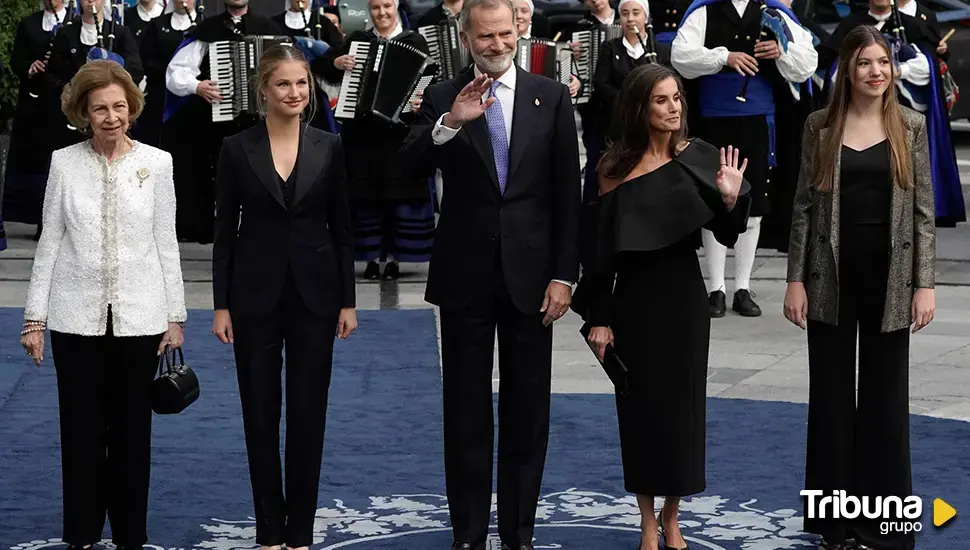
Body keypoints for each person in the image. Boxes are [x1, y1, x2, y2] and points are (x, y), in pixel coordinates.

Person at [401, 0, 580, 547]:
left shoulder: (549, 96)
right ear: (465, 38)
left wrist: (565, 275)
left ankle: (519, 533)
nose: (497, 44)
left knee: (528, 409)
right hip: (464, 276)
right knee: (466, 410)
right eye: (486, 36)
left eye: (505, 33)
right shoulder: (441, 96)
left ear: (519, 31)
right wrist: (451, 123)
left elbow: (567, 197)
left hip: (533, 278)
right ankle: (469, 534)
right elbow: (407, 169)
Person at [576, 64, 749, 550]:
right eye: (661, 100)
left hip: (683, 300)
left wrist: (730, 200)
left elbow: (728, 231)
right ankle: (647, 522)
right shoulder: (611, 168)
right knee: (640, 413)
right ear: (639, 107)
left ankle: (673, 518)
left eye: (677, 99)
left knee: (682, 412)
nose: (673, 108)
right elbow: (600, 251)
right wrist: (600, 316)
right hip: (632, 302)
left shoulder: (699, 157)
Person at [19, 60, 186, 550]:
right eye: (99, 109)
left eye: (118, 106)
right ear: (83, 114)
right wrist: (35, 319)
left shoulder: (158, 163)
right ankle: (83, 534)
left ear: (131, 107)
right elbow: (49, 242)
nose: (111, 117)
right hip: (75, 318)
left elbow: (167, 244)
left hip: (141, 316)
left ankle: (131, 535)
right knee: (81, 432)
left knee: (133, 435)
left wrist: (175, 316)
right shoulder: (63, 162)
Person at [784, 25, 935, 550]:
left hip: (891, 279)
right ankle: (835, 525)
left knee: (885, 400)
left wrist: (925, 284)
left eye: (884, 63)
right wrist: (795, 280)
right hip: (829, 278)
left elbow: (922, 214)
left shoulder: (910, 125)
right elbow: (802, 207)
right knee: (828, 400)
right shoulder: (819, 126)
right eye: (866, 63)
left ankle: (887, 527)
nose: (877, 72)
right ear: (847, 70)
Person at [211, 44, 357, 550]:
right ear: (263, 90)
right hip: (252, 297)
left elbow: (343, 228)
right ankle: (268, 531)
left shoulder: (329, 146)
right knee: (259, 413)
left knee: (308, 415)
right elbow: (224, 230)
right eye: (284, 84)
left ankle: (300, 533)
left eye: (302, 83)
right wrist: (221, 304)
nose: (295, 93)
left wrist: (348, 301)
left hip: (317, 297)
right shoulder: (235, 148)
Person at [671, 0, 816, 318]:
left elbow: (807, 63)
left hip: (758, 122)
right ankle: (716, 289)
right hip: (714, 121)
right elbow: (680, 57)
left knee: (754, 203)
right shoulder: (704, 11)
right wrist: (724, 56)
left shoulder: (774, 14)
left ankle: (742, 287)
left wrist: (782, 53)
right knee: (714, 198)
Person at [816, 0, 964, 227]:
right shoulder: (852, 26)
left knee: (905, 174)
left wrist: (899, 71)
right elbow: (832, 66)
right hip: (862, 116)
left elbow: (929, 64)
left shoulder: (912, 25)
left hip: (902, 114)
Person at [318, 0, 435, 280]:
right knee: (365, 200)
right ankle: (371, 258)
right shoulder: (359, 39)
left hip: (399, 135)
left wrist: (418, 101)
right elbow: (321, 66)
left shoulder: (415, 41)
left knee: (398, 199)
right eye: (375, 8)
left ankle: (394, 259)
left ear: (396, 6)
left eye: (386, 6)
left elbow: (428, 80)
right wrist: (337, 62)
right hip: (363, 133)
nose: (381, 13)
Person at [163, 0, 282, 243]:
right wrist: (196, 86)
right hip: (216, 122)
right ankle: (217, 229)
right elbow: (176, 71)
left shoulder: (270, 27)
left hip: (263, 119)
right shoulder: (208, 29)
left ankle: (262, 228)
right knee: (217, 176)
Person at [3, 0, 68, 242]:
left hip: (61, 104)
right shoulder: (29, 23)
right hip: (34, 106)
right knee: (36, 164)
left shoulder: (72, 24)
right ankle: (36, 220)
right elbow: (16, 60)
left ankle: (61, 223)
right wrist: (31, 67)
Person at [46, 0, 144, 152]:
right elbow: (51, 73)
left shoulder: (121, 33)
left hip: (110, 117)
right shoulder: (66, 33)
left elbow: (136, 71)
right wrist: (74, 90)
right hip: (74, 117)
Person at [591, 0, 669, 156]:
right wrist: (630, 100)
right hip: (618, 123)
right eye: (625, 14)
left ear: (646, 18)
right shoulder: (610, 48)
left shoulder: (660, 50)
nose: (630, 18)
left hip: (652, 123)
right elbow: (601, 84)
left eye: (636, 13)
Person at [138, 0, 198, 147]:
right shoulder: (156, 25)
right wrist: (173, 72)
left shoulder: (205, 24)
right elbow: (146, 60)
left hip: (194, 100)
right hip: (161, 97)